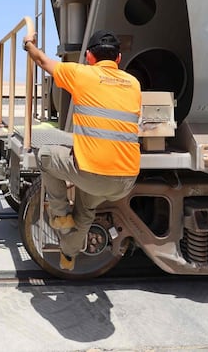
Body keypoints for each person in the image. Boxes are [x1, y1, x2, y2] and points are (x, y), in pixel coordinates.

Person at [22, 29, 141, 270]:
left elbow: (43, 61)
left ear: (88, 56)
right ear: (118, 59)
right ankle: (68, 255)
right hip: (126, 181)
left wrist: (29, 45)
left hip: (92, 174)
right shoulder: (134, 84)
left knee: (45, 155)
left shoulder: (82, 74)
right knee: (86, 209)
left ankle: (60, 215)